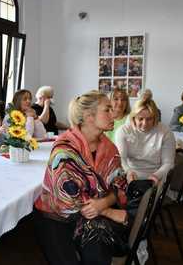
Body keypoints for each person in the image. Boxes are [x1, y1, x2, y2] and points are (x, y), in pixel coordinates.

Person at [34, 91, 128, 265]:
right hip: (56, 217)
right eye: (107, 109)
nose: (113, 112)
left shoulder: (109, 148)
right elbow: (68, 197)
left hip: (90, 215)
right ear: (89, 116)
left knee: (97, 250)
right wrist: (107, 210)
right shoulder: (65, 148)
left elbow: (120, 183)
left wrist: (103, 203)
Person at [116, 93, 176, 183]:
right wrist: (128, 171)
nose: (144, 123)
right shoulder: (123, 131)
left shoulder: (165, 132)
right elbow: (121, 158)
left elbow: (168, 163)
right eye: (140, 119)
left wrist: (156, 175)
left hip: (157, 174)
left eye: (149, 119)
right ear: (133, 118)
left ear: (155, 118)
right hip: (130, 173)